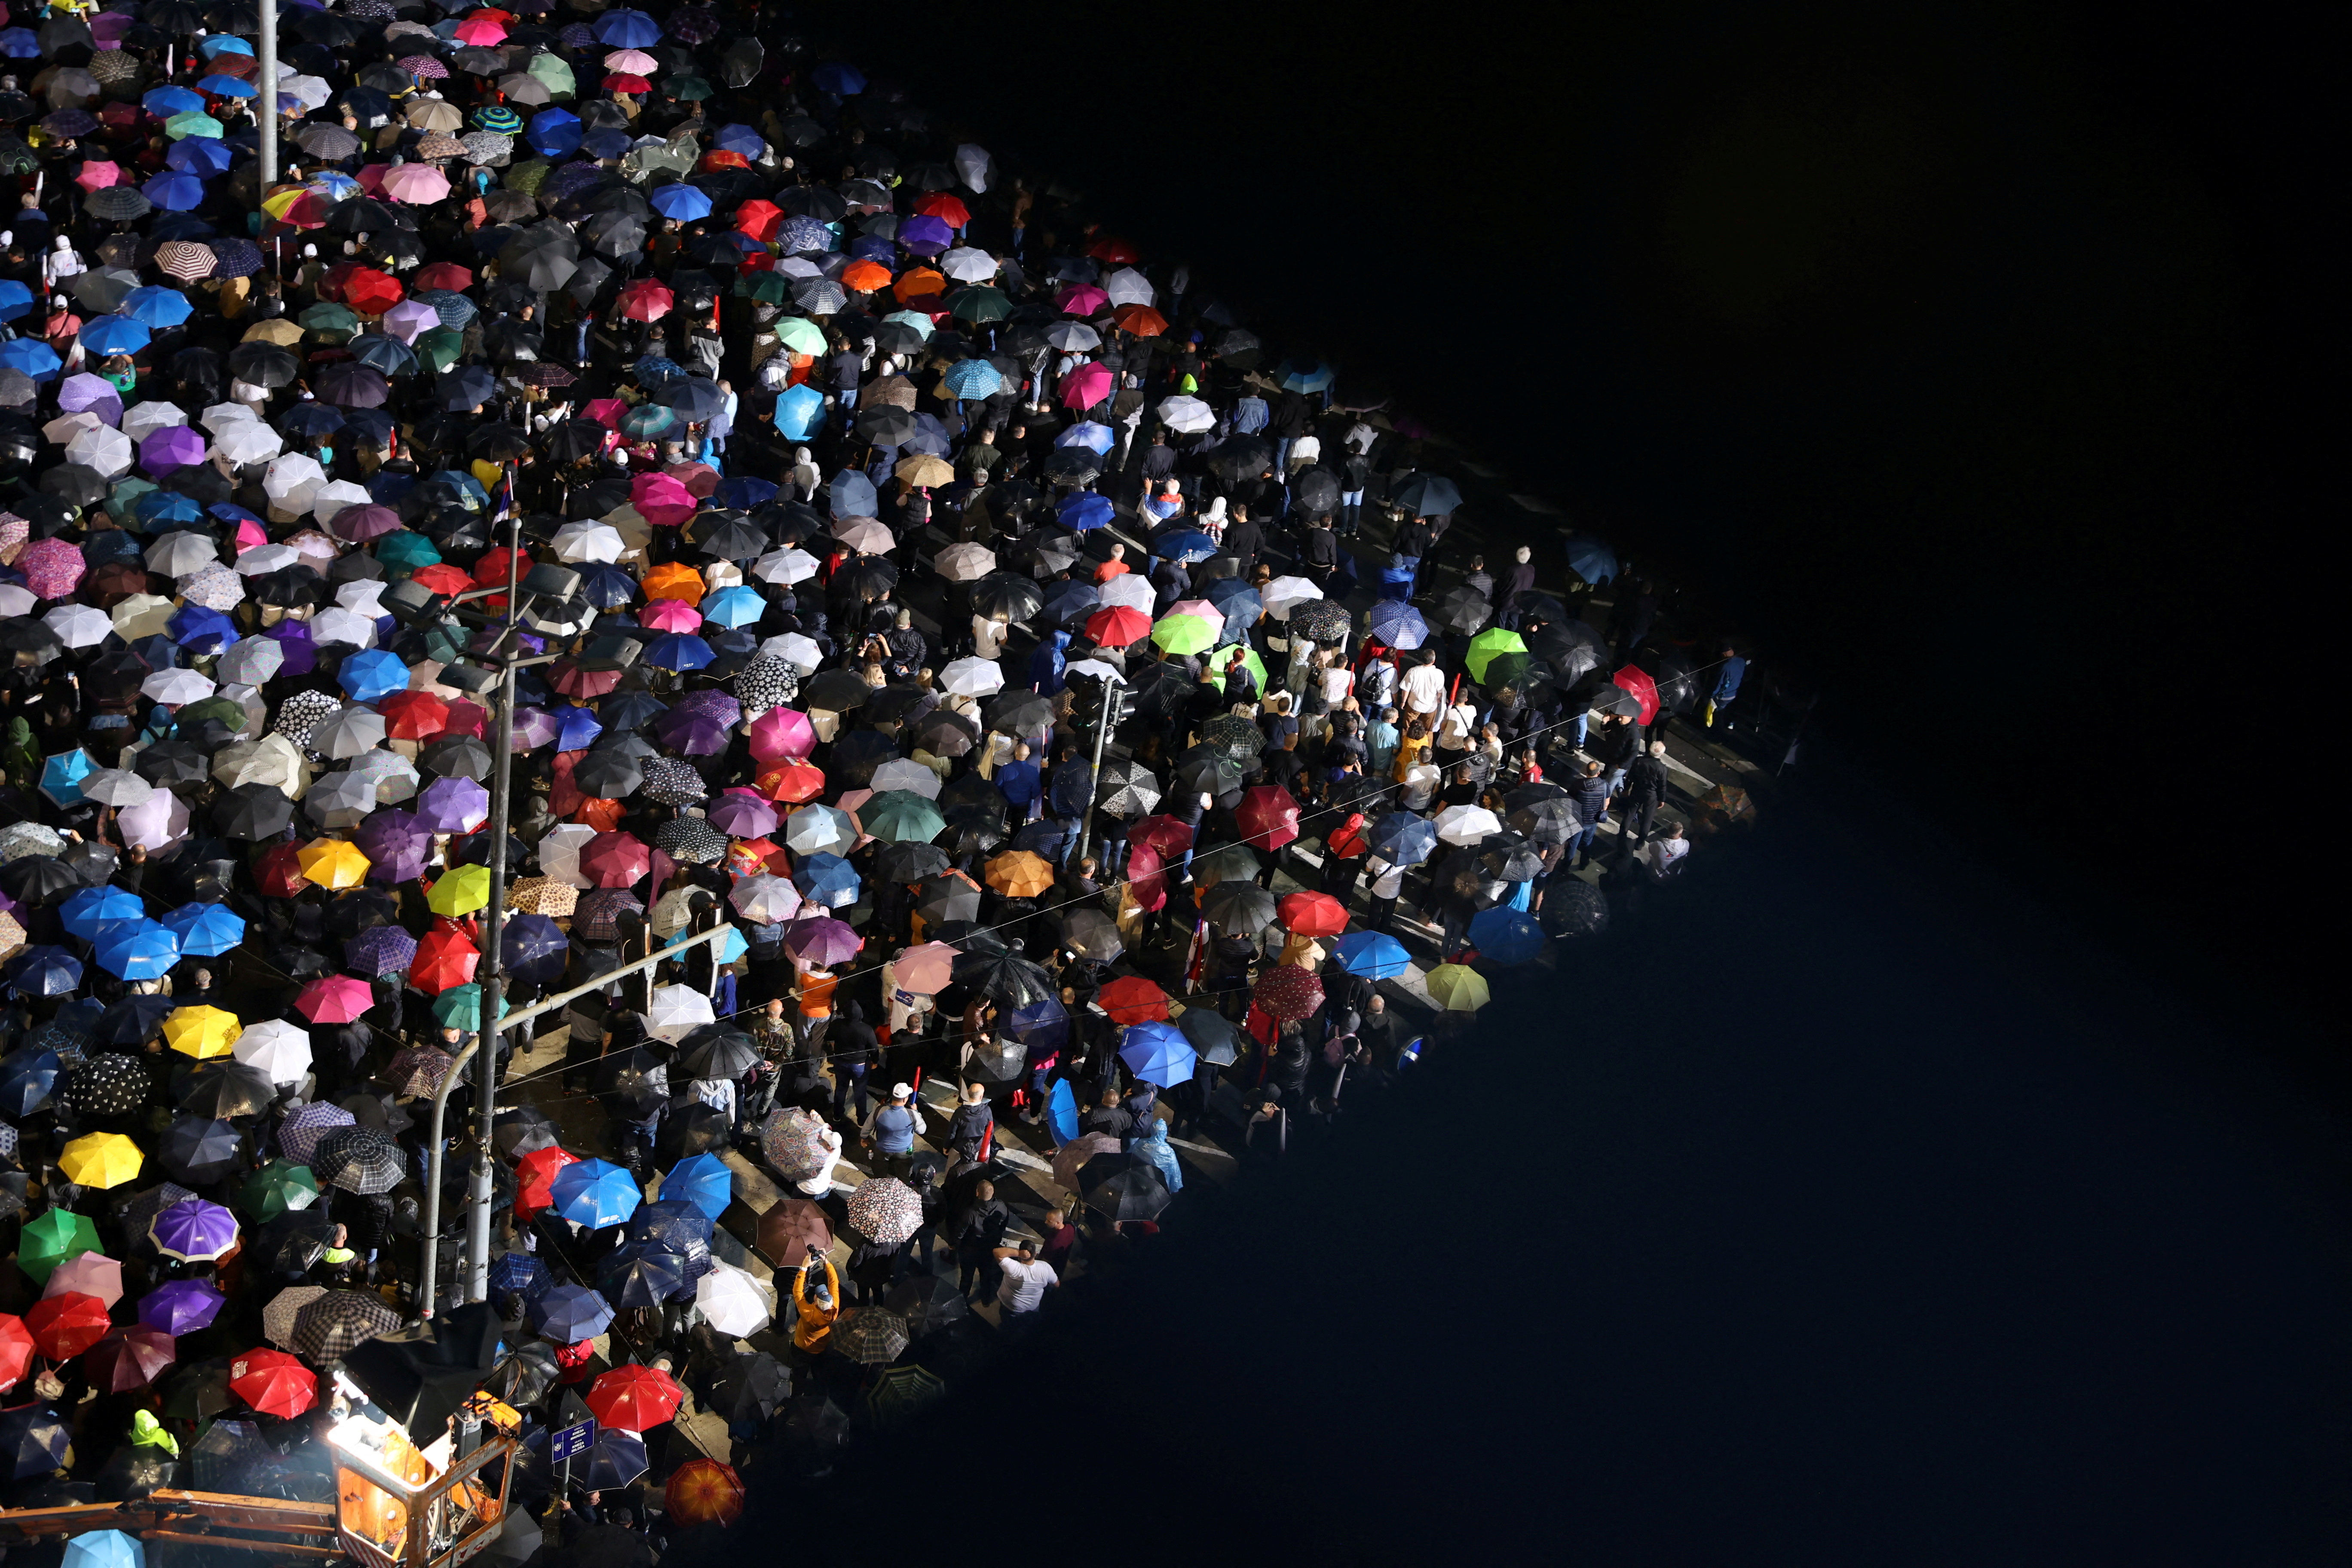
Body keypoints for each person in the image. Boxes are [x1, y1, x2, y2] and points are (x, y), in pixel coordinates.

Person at [861, 1082, 926, 1179]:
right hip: (906, 1150)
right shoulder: (912, 1114)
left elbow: (867, 1128)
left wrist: (864, 1138)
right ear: (905, 1099)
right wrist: (916, 1112)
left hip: (882, 1149)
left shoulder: (879, 1111)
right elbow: (922, 1130)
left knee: (879, 1174)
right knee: (905, 1174)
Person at [990, 1240, 1059, 1317]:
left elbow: (997, 1252)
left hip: (1011, 1308)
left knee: (1007, 1324)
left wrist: (1018, 1253)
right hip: (1033, 1308)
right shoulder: (1046, 1267)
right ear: (1035, 1254)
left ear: (1021, 1255)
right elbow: (1057, 1284)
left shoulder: (1013, 1268)